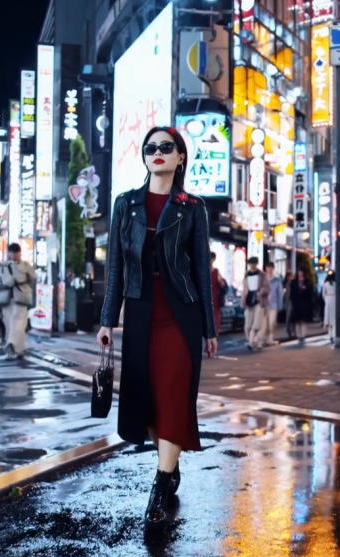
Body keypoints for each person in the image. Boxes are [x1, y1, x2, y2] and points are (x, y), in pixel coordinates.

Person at [96, 126, 217, 532]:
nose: (158, 153)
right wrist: (107, 320)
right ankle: (171, 462)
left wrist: (210, 328)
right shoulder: (125, 204)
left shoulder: (192, 207)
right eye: (151, 148)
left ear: (180, 157)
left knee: (173, 393)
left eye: (167, 147)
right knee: (147, 398)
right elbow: (115, 267)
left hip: (180, 313)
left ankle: (161, 485)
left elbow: (201, 269)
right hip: (141, 310)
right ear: (145, 158)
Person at [0, 243, 37, 360]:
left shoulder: (25, 265)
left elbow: (33, 278)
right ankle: (18, 349)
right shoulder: (4, 266)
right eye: (11, 252)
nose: (13, 255)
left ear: (20, 253)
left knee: (18, 323)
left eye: (15, 253)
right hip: (7, 298)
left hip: (20, 297)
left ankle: (11, 344)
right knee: (9, 323)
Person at [242, 257, 269, 350]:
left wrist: (260, 292)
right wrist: (243, 300)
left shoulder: (261, 275)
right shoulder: (247, 274)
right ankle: (255, 341)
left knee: (257, 324)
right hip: (249, 301)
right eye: (250, 264)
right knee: (248, 325)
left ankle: (252, 342)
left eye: (253, 263)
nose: (252, 265)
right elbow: (244, 288)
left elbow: (267, 288)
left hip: (259, 301)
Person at [289, 268, 314, 342]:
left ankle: (303, 335)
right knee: (297, 320)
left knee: (303, 320)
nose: (300, 274)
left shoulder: (308, 282)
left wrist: (305, 289)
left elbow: (310, 292)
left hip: (305, 303)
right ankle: (298, 335)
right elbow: (292, 293)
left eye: (301, 272)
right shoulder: (294, 282)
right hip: (296, 303)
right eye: (299, 272)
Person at [263, 262, 284, 346]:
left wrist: (280, 305)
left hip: (273, 304)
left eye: (271, 268)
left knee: (272, 322)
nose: (270, 270)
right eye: (268, 268)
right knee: (264, 323)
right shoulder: (263, 279)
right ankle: (264, 338)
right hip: (264, 304)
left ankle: (270, 338)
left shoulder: (277, 280)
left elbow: (280, 293)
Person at [210, 252, 227, 334]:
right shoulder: (201, 270)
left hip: (215, 300)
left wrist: (221, 282)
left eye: (212, 259)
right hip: (206, 299)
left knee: (215, 321)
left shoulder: (216, 272)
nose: (210, 261)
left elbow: (223, 285)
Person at [322, 271, 338, 342]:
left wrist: (326, 299)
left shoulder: (325, 284)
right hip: (334, 300)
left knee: (328, 319)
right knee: (334, 319)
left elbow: (323, 294)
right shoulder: (336, 284)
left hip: (328, 300)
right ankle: (334, 335)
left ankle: (330, 335)